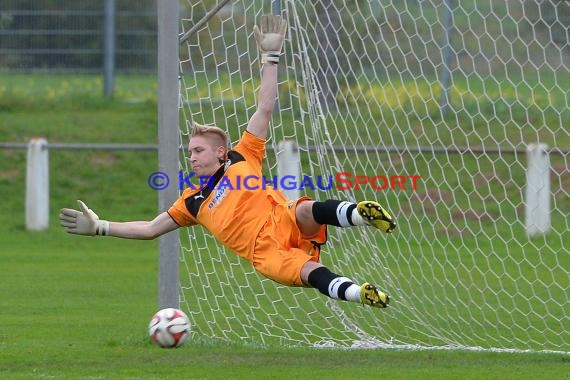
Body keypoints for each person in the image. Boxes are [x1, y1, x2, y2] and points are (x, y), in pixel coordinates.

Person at [59, 15, 396, 309]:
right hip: (265, 253)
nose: (191, 157)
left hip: (282, 219)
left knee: (305, 209)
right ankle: (360, 293)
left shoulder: (242, 155)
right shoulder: (192, 201)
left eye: (198, 150)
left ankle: (361, 214)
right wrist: (101, 227)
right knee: (307, 271)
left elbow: (264, 108)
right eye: (189, 152)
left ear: (221, 152)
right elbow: (150, 229)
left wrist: (271, 57)